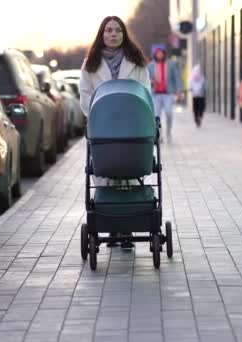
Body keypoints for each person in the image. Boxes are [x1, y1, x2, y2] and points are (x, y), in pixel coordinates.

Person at [79, 16, 150, 249]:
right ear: (102, 34)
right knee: (105, 175)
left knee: (129, 173)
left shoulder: (137, 62)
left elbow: (145, 93)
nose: (113, 34)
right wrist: (100, 113)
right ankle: (110, 226)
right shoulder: (91, 63)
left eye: (117, 31)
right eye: (108, 30)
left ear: (123, 34)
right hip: (103, 128)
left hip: (131, 127)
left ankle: (127, 226)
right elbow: (85, 95)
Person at [147, 48, 182, 142]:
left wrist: (178, 91)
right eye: (157, 54)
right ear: (154, 55)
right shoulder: (150, 65)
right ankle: (159, 135)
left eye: (161, 53)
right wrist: (151, 81)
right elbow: (146, 78)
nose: (159, 55)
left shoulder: (171, 64)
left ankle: (168, 132)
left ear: (164, 54)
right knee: (156, 115)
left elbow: (177, 78)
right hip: (156, 94)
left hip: (168, 93)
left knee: (168, 113)